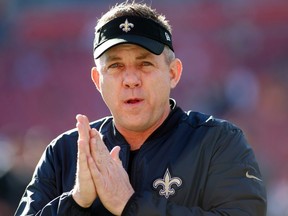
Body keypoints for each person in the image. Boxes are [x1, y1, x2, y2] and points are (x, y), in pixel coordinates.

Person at [15, 1, 267, 215]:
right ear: (96, 80)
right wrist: (77, 201)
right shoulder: (63, 153)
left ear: (173, 73)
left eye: (145, 64)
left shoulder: (218, 143)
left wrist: (130, 204)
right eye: (115, 66)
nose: (131, 79)